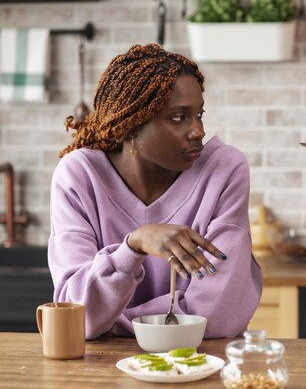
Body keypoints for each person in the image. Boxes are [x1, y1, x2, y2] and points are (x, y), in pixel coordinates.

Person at [48, 44, 262, 340]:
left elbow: (217, 315)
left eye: (199, 114)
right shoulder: (79, 176)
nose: (198, 130)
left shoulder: (224, 170)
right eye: (178, 118)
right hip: (101, 371)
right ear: (131, 126)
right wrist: (132, 248)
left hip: (201, 364)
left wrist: (109, 322)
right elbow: (74, 315)